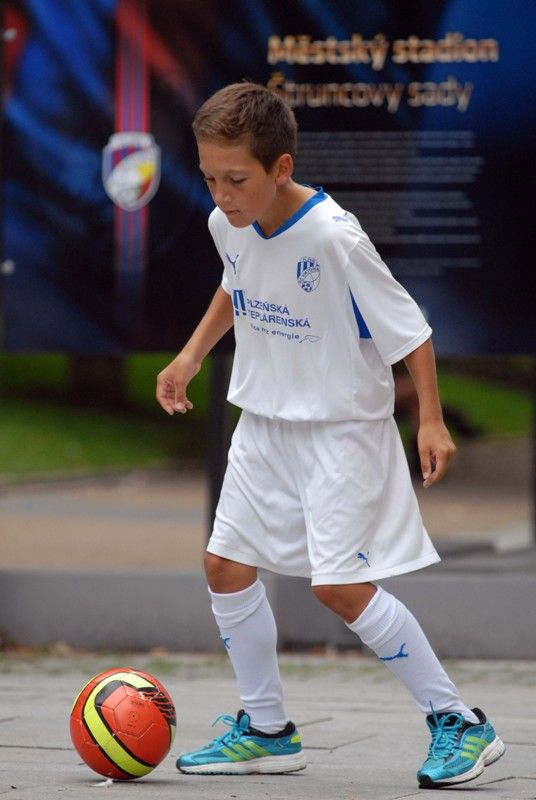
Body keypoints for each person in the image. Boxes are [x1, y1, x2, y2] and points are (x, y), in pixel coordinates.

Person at [156, 82, 505, 788]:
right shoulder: (229, 222)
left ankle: (461, 724)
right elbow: (236, 280)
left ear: (279, 168)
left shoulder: (335, 235)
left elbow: (412, 329)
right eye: (210, 179)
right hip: (263, 424)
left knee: (339, 587)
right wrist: (191, 355)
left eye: (237, 180)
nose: (222, 195)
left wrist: (431, 419)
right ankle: (266, 728)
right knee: (225, 567)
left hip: (340, 431)